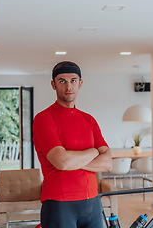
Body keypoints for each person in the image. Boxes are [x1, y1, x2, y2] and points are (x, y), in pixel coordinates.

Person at [33, 61, 113, 228]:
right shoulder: (44, 119)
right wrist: (93, 151)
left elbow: (107, 163)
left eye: (73, 80)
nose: (68, 86)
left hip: (93, 202)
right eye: (62, 81)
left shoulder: (89, 120)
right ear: (53, 84)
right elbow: (62, 162)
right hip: (59, 203)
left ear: (80, 83)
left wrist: (73, 161)